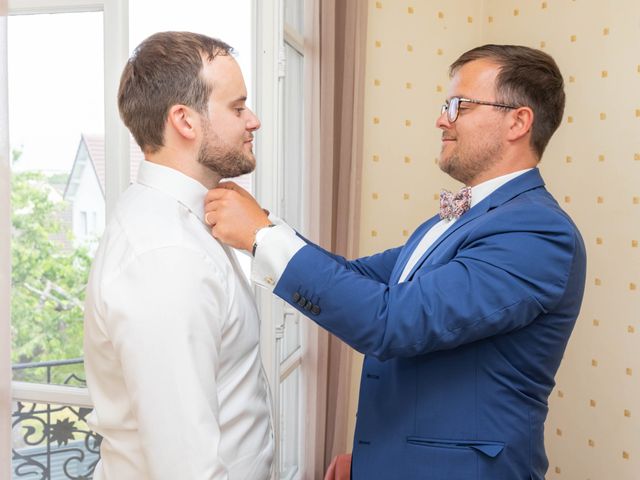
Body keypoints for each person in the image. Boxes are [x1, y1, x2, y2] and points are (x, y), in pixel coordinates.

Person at [204, 44, 587, 479]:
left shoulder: (537, 232)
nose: (442, 119)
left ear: (518, 121)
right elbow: (357, 277)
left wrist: (260, 237)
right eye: (446, 105)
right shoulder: (447, 223)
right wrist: (267, 225)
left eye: (459, 105)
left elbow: (392, 322)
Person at [83, 31, 273, 480]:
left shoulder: (187, 222)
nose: (254, 121)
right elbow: (185, 467)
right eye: (237, 106)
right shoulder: (166, 255)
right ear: (185, 122)